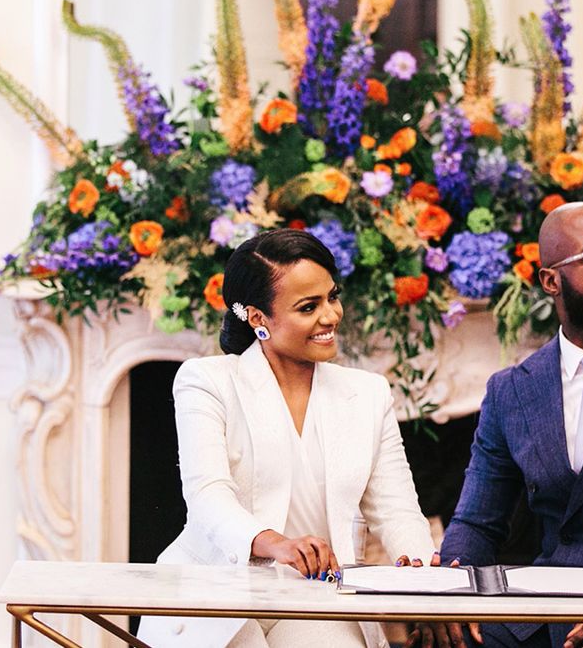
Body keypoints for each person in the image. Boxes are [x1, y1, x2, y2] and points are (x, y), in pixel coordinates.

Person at [137, 228, 435, 648]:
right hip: (215, 593)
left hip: (315, 598)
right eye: (308, 307)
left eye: (332, 297)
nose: (330, 316)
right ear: (259, 318)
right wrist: (274, 543)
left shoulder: (369, 393)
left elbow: (397, 511)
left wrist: (428, 585)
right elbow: (207, 495)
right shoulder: (206, 381)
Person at [419, 202, 583, 648]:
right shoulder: (512, 390)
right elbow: (477, 523)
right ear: (551, 280)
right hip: (548, 608)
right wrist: (449, 599)